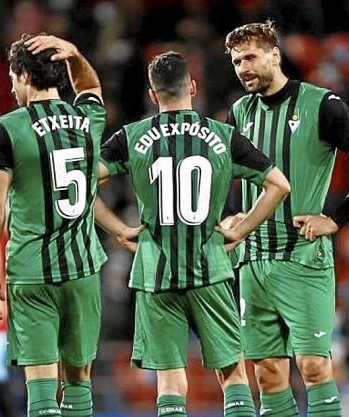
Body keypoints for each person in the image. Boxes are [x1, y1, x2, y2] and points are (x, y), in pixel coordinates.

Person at [96, 50, 290, 417]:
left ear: (153, 95)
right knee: (233, 372)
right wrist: (242, 228)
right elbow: (279, 186)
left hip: (156, 273)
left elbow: (79, 186)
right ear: (193, 87)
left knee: (170, 381)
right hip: (211, 269)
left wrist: (119, 229)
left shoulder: (131, 137)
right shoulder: (223, 135)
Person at [224, 21, 349, 416]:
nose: (243, 68)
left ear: (274, 54)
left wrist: (335, 219)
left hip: (303, 258)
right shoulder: (239, 111)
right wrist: (230, 216)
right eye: (236, 62)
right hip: (253, 262)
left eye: (250, 57)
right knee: (268, 373)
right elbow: (228, 175)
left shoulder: (322, 104)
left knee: (315, 366)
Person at [0, 33, 113, 417]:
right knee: (78, 378)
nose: (10, 86)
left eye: (11, 77)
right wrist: (75, 53)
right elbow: (90, 85)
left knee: (40, 381)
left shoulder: (7, 127)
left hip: (31, 269)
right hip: (83, 267)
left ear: (22, 75)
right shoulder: (87, 117)